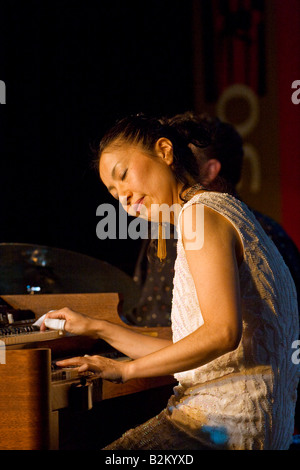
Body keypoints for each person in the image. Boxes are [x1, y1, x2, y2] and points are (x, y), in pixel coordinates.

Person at [41, 113, 299, 450]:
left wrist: (126, 371)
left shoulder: (200, 215)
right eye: (114, 193)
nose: (124, 199)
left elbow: (222, 333)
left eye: (124, 176)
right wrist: (98, 327)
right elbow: (200, 355)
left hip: (221, 427)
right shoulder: (217, 210)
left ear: (164, 151)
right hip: (245, 424)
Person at [129, 112, 300, 328]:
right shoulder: (271, 230)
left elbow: (212, 333)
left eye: (183, 160)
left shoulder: (193, 225)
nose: (171, 166)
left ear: (210, 171)